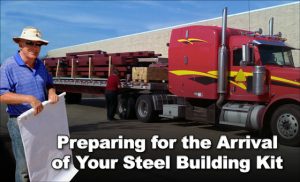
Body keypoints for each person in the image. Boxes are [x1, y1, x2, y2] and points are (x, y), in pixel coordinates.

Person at [0, 26, 59, 182]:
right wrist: (29, 98)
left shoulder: (40, 65)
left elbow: (49, 84)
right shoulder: (9, 66)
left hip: (41, 120)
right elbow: (2, 95)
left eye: (38, 44)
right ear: (20, 44)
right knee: (24, 168)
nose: (35, 48)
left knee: (41, 162)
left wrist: (52, 91)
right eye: (30, 43)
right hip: (20, 122)